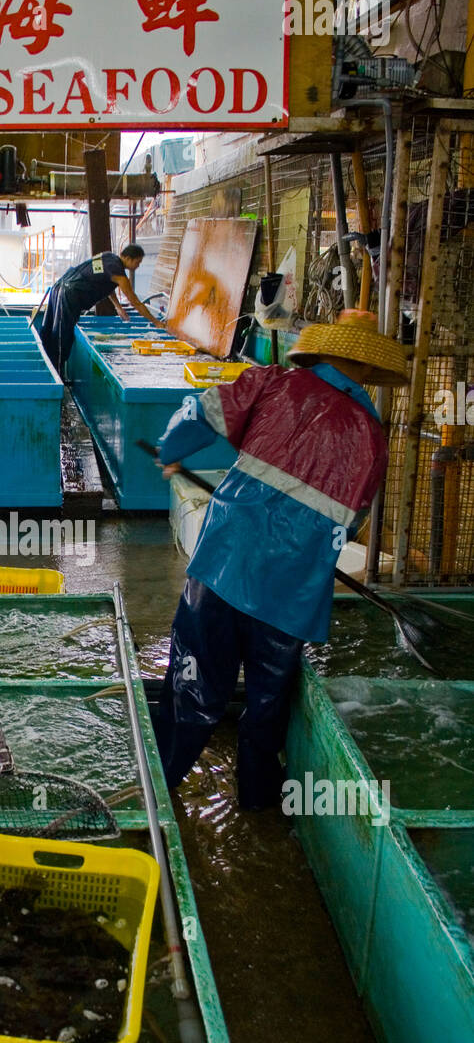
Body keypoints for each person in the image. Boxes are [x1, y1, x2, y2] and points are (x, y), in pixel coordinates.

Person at [152, 309, 408, 811]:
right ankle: (258, 810)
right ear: (366, 369)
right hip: (291, 598)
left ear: (321, 350)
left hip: (225, 567)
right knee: (266, 710)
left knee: (193, 690)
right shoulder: (373, 437)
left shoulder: (272, 384)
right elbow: (351, 523)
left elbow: (197, 416)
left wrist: (171, 452)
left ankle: (157, 792)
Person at [37, 243, 166, 376]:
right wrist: (156, 322)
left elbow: (106, 285)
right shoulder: (120, 275)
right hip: (70, 293)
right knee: (62, 335)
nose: (137, 267)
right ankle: (55, 376)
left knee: (51, 330)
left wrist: (118, 307)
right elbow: (137, 303)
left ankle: (46, 369)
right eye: (138, 262)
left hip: (60, 286)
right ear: (128, 258)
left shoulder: (108, 257)